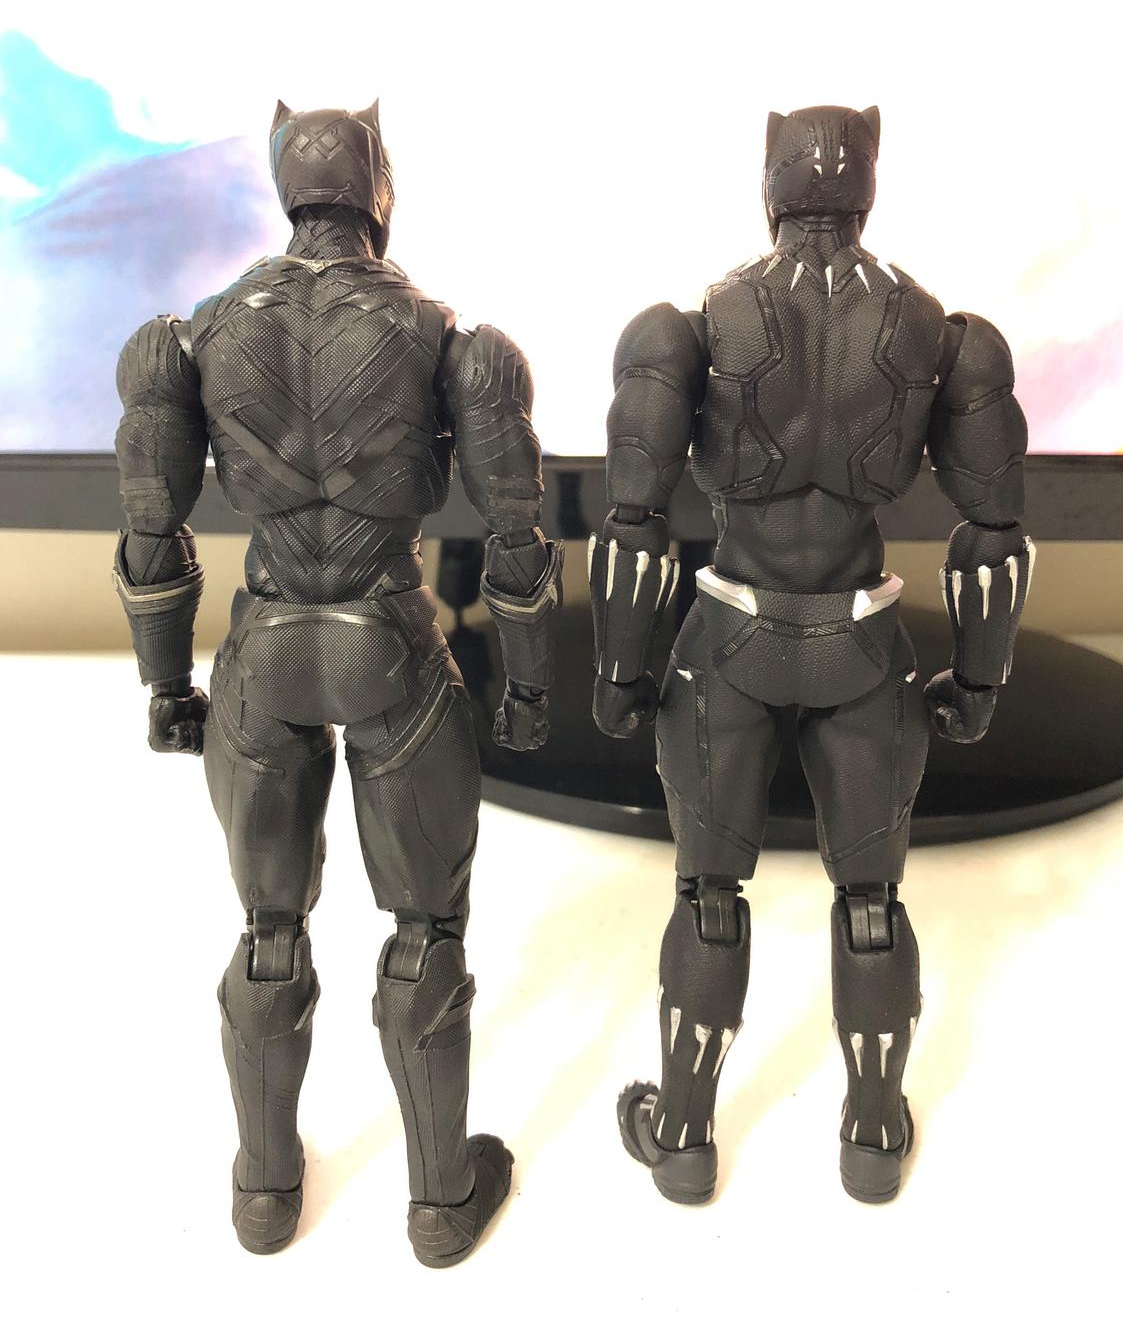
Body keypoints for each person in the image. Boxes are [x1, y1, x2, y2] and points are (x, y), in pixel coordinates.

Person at [113, 100, 563, 1263]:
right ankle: (438, 1203)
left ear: (287, 189)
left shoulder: (197, 336)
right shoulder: (449, 339)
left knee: (268, 930)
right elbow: (517, 534)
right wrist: (528, 686)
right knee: (424, 929)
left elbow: (154, 526)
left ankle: (264, 1194)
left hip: (263, 652)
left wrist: (165, 686)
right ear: (378, 188)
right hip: (389, 643)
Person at [591, 105, 1032, 1205]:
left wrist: (619, 676)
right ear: (867, 180)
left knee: (708, 892)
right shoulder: (939, 334)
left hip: (731, 639)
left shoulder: (692, 327)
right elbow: (993, 533)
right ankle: (872, 1142)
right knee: (870, 901)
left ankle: (683, 1140)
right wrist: (980, 681)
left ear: (770, 178)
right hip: (859, 641)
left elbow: (634, 525)